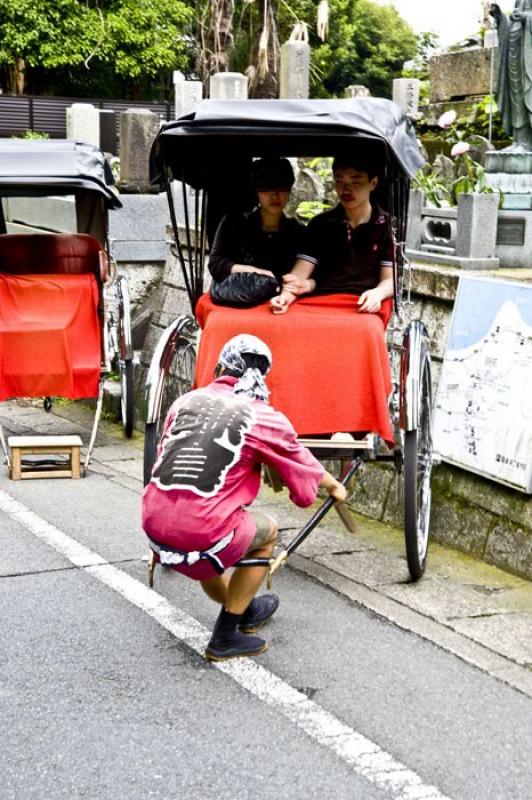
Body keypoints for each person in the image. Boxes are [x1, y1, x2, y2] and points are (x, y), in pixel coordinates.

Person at [142, 334, 347, 662]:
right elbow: (301, 463)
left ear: (220, 367)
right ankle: (225, 636)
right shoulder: (262, 416)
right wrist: (334, 486)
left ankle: (247, 608)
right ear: (262, 376)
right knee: (268, 532)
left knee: (206, 530)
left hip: (153, 525)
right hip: (202, 531)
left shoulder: (185, 402)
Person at [270, 155, 394, 314]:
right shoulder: (321, 224)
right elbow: (300, 273)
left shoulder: (386, 225)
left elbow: (389, 279)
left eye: (355, 181)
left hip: (363, 302)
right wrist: (286, 295)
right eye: (339, 180)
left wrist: (378, 294)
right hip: (322, 299)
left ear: (373, 183)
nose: (346, 189)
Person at [208, 157, 304, 287]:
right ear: (256, 191)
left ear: (290, 191)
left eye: (281, 187)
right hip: (242, 297)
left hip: (284, 299)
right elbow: (216, 264)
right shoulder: (234, 224)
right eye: (266, 188)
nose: (275, 195)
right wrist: (254, 272)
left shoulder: (298, 232)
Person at [490, 1, 532, 150]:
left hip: (528, 50)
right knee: (515, 94)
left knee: (528, 92)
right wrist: (501, 17)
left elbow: (524, 16)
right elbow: (513, 22)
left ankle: (527, 142)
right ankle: (520, 140)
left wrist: (526, 17)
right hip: (515, 44)